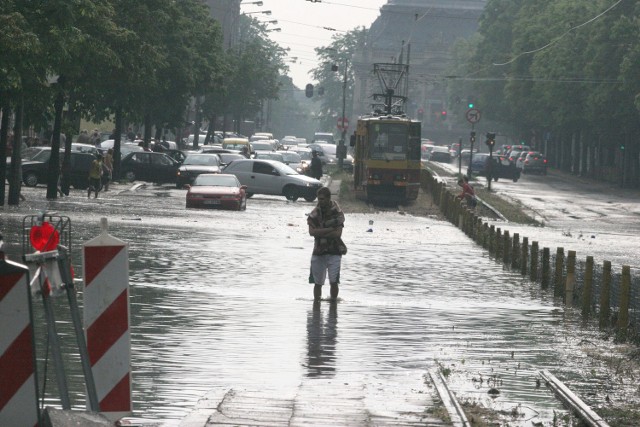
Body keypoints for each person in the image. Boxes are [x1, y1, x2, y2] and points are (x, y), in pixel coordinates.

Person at [307, 187, 347, 301]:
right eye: (319, 199)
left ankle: (333, 306)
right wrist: (329, 229)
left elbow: (338, 234)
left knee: (334, 281)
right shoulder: (314, 214)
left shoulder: (337, 213)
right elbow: (311, 232)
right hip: (319, 251)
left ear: (329, 199)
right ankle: (316, 307)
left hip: (334, 251)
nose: (320, 201)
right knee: (317, 282)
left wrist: (320, 232)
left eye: (323, 199)